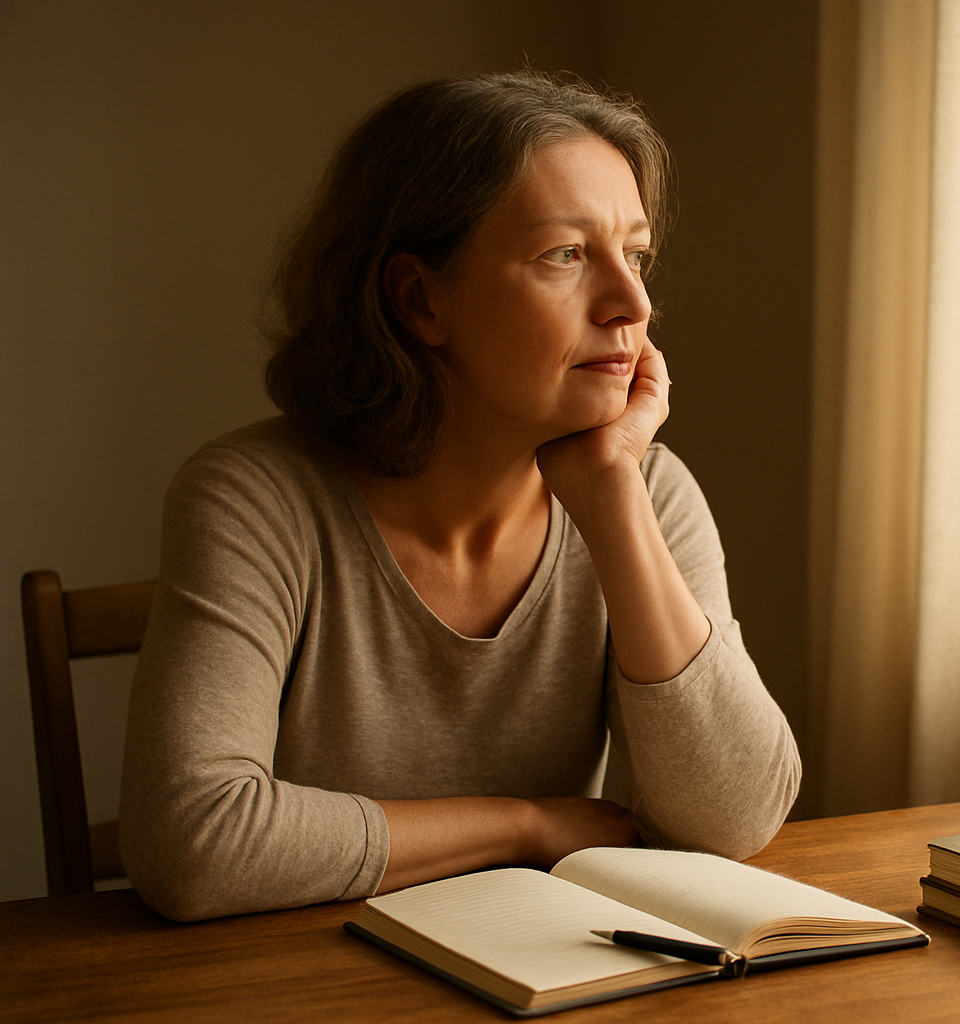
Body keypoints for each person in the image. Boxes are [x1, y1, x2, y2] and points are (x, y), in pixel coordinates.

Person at [118, 70, 801, 922]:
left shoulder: (644, 490)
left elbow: (735, 818)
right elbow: (190, 843)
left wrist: (614, 499)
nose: (634, 304)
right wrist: (523, 825)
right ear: (419, 299)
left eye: (636, 254)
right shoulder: (258, 499)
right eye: (567, 254)